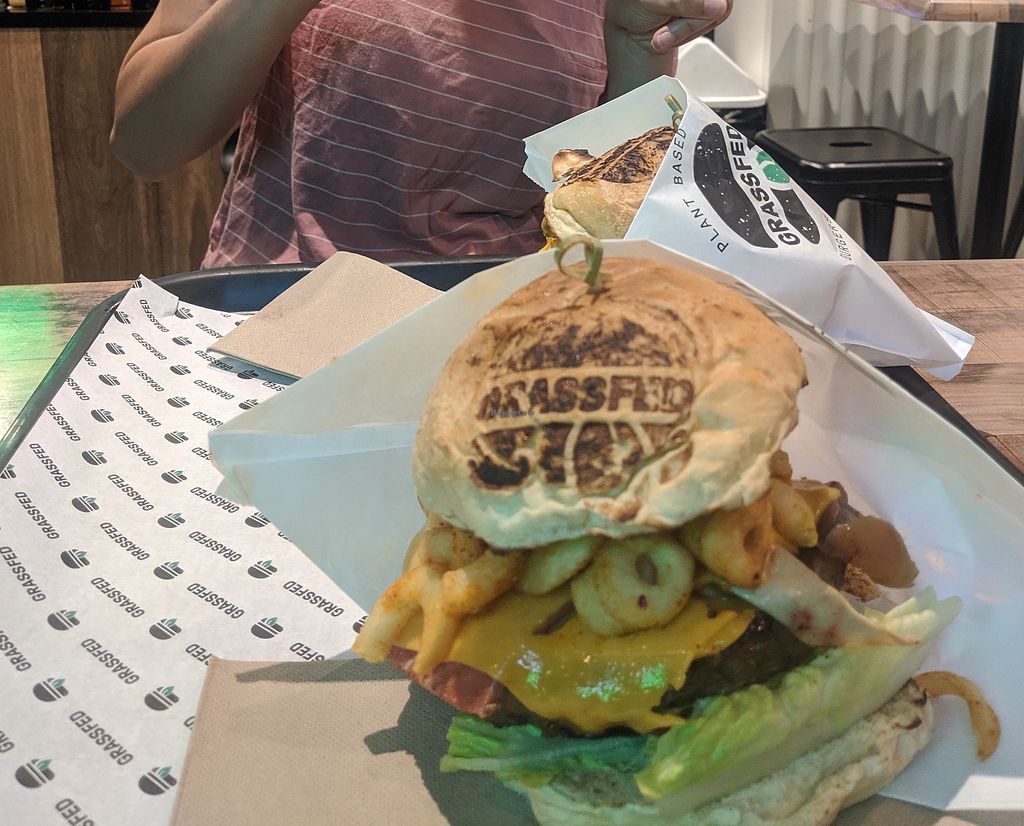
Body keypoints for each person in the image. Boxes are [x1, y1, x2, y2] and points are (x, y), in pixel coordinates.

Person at [111, 0, 732, 266]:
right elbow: (144, 144)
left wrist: (638, 44)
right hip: (277, 312)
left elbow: (617, 211)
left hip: (496, 321)